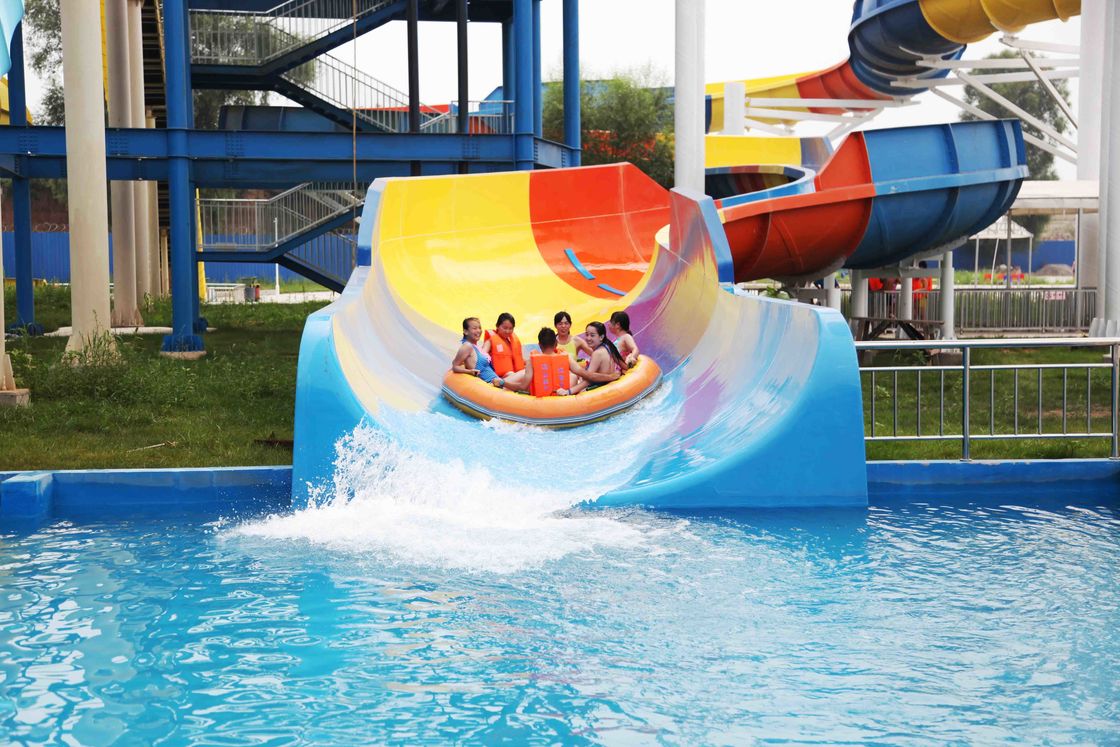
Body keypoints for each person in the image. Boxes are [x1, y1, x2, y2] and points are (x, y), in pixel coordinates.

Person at [568, 321, 626, 395]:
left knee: (573, 377)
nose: (588, 338)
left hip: (598, 390)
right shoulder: (608, 346)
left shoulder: (597, 353)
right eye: (587, 334)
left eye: (592, 335)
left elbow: (589, 379)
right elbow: (623, 364)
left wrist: (569, 391)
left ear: (601, 337)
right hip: (606, 386)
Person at [482, 312, 530, 392]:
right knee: (524, 373)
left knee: (530, 370)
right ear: (497, 326)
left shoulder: (511, 341)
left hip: (513, 376)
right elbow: (481, 356)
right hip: (501, 378)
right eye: (505, 328)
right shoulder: (490, 341)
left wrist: (530, 362)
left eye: (510, 328)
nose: (507, 331)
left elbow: (518, 359)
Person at [451, 317, 503, 387]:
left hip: (497, 381)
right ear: (466, 331)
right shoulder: (467, 346)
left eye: (479, 328)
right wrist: (469, 372)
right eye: (475, 328)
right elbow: (455, 366)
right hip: (491, 383)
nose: (478, 330)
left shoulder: (477, 348)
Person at [524, 327, 573, 396]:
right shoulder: (566, 357)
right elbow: (582, 372)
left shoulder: (531, 360)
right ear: (556, 343)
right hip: (562, 397)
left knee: (520, 374)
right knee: (573, 376)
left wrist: (507, 384)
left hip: (540, 399)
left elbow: (523, 386)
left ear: (539, 345)